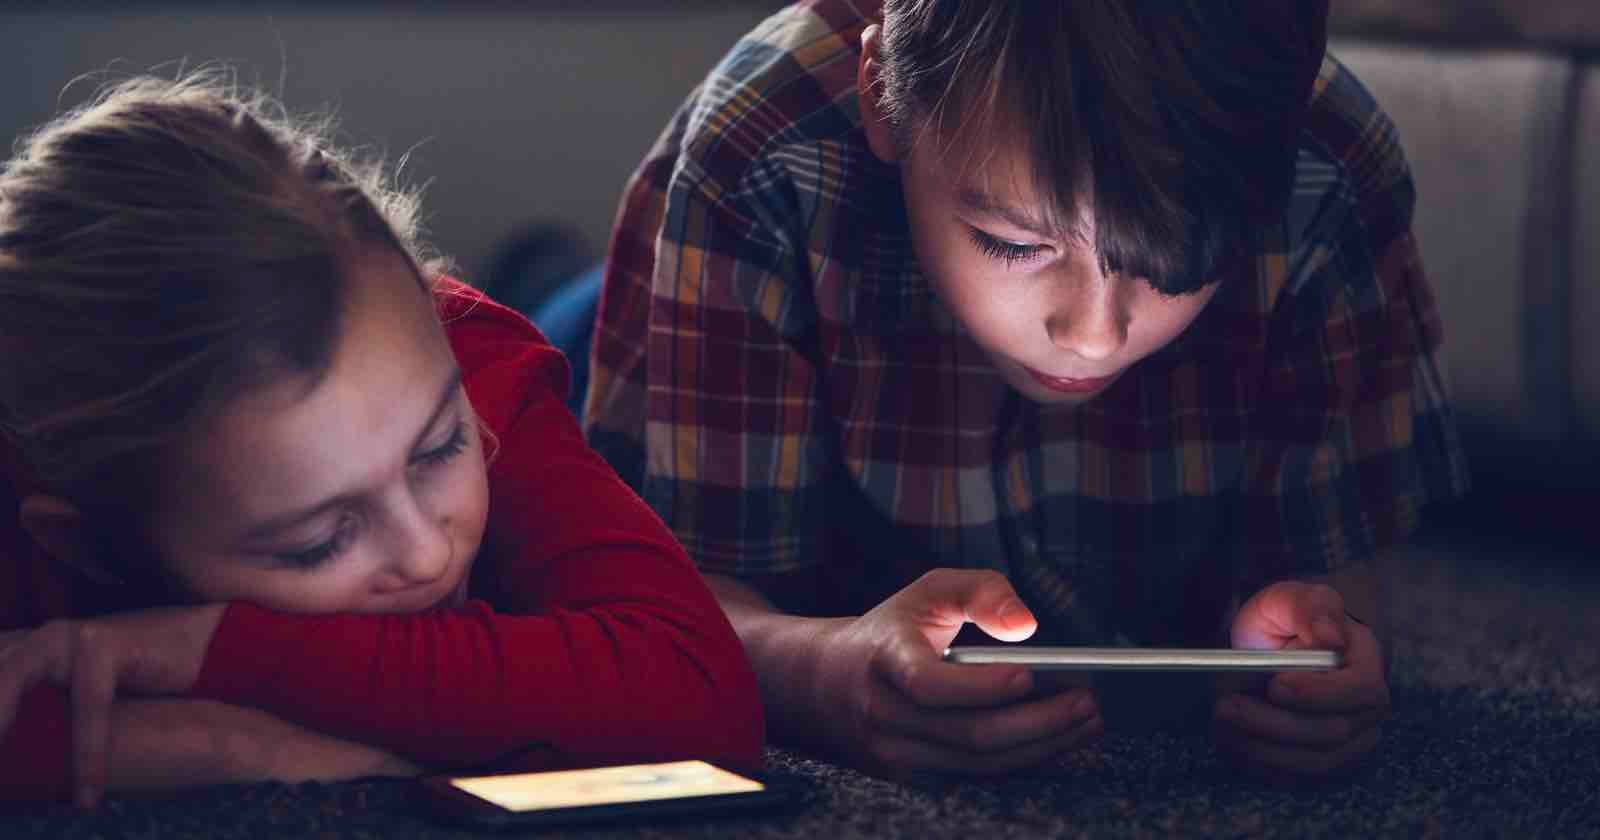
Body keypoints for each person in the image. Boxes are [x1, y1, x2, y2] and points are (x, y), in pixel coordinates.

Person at [582, 0, 1468, 779]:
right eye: (1013, 244)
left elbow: (1343, 575)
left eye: (1179, 264)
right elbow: (666, 603)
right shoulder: (761, 154)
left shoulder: (1328, 161)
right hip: (665, 311)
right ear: (881, 93)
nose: (1094, 335)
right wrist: (819, 676)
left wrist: (1318, 640)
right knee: (536, 357)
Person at [0, 72, 762, 808]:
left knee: (578, 300)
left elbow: (698, 694)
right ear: (88, 544)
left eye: (441, 450)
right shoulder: (37, 494)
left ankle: (539, 265)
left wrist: (215, 651)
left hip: (514, 317)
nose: (426, 555)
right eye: (318, 542)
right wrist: (217, 748)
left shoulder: (471, 362)